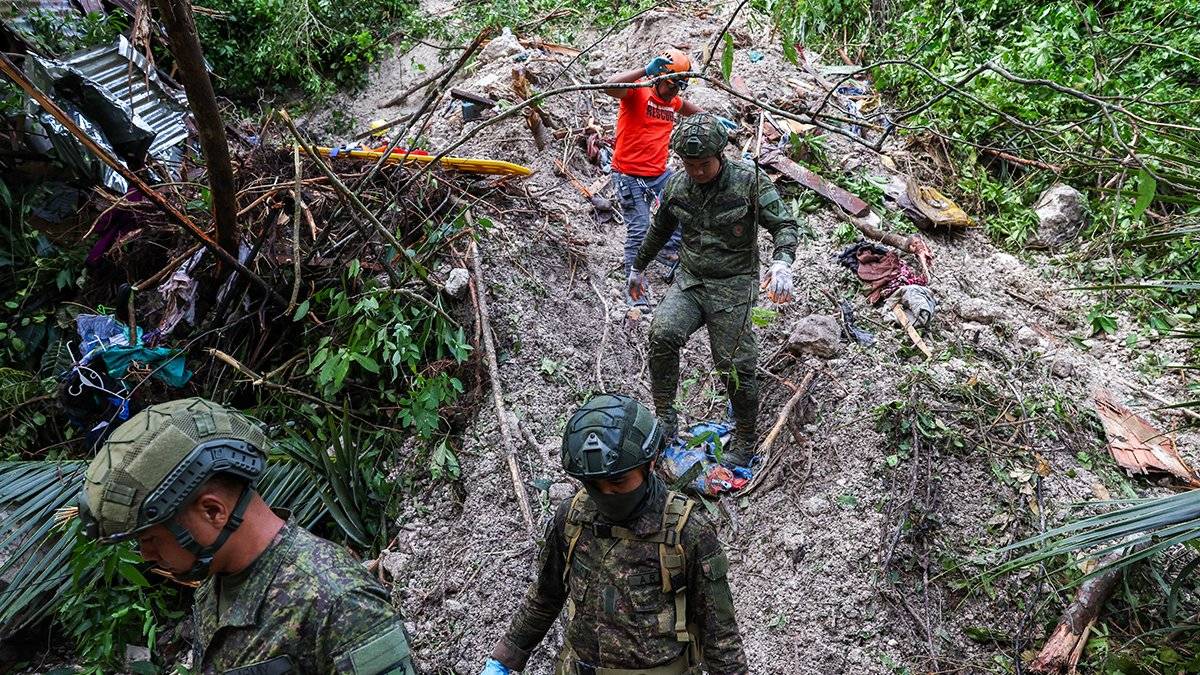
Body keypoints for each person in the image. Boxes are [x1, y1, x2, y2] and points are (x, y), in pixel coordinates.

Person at [77, 397, 417, 674]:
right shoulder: (218, 582)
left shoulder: (338, 601)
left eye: (150, 540)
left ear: (212, 512)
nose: (147, 556)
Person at [479, 394, 747, 675]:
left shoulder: (686, 531)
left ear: (650, 463)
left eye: (618, 481)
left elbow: (720, 634)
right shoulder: (572, 519)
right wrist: (504, 660)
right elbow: (546, 596)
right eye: (594, 485)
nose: (607, 493)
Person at [628, 112, 800, 467]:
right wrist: (638, 268)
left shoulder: (749, 181)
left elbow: (783, 223)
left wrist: (782, 261)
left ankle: (745, 436)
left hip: (733, 285)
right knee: (662, 333)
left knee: (733, 363)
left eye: (704, 164)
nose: (697, 172)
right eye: (689, 164)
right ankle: (666, 418)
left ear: (720, 155)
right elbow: (660, 229)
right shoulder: (676, 186)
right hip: (691, 280)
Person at [604, 49, 735, 305]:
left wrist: (709, 118)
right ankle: (635, 291)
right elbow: (609, 86)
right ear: (660, 76)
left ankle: (668, 251)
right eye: (672, 84)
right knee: (639, 230)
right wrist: (644, 70)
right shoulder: (637, 92)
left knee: (683, 206)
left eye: (680, 86)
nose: (675, 91)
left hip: (658, 173)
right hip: (628, 174)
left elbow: (684, 107)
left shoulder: (671, 102)